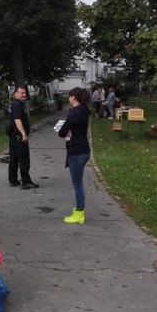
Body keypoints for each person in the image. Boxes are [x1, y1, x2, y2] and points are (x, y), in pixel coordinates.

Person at [58, 87, 92, 224]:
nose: (68, 99)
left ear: (73, 97)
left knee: (77, 185)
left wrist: (66, 130)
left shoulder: (75, 113)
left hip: (77, 151)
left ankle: (79, 213)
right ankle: (79, 211)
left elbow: (61, 132)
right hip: (83, 149)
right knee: (78, 183)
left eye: (69, 96)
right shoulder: (83, 110)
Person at [7, 85, 39, 189]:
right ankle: (26, 181)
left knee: (14, 158)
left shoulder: (15, 104)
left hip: (14, 136)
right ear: (16, 94)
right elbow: (17, 120)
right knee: (24, 159)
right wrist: (23, 134)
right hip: (19, 136)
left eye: (25, 93)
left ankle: (13, 180)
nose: (24, 95)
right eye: (22, 93)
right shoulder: (17, 105)